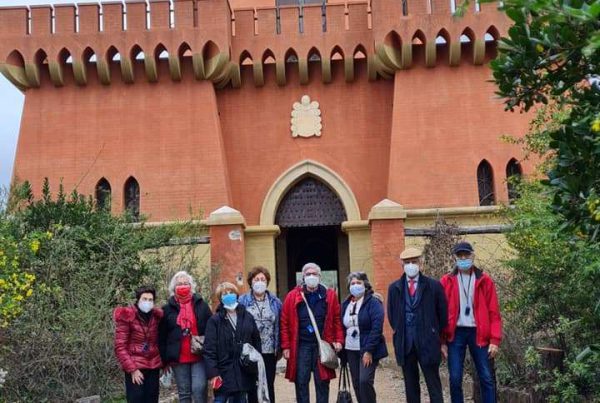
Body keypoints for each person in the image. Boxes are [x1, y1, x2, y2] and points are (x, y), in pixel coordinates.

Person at [441, 241, 502, 403]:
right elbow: (440, 313)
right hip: (455, 333)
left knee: (486, 377)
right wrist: (442, 341)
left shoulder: (485, 280)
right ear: (455, 258)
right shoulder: (446, 281)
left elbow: (494, 312)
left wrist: (495, 340)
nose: (463, 258)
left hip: (479, 333)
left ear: (472, 256)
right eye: (459, 256)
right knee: (454, 379)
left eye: (466, 255)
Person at [387, 247, 448, 403]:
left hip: (428, 341)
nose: (411, 265)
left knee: (433, 384)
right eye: (407, 262)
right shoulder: (394, 288)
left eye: (414, 261)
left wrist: (436, 334)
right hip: (406, 343)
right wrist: (401, 330)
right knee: (410, 387)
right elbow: (392, 315)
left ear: (420, 263)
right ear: (402, 265)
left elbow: (442, 314)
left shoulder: (433, 286)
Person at [280, 262, 344, 403]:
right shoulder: (292, 296)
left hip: (322, 345)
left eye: (314, 274)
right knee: (301, 380)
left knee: (322, 381)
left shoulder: (330, 295)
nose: (311, 277)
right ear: (303, 277)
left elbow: (337, 320)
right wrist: (285, 346)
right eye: (308, 274)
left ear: (320, 276)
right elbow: (284, 322)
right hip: (301, 346)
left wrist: (339, 340)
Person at [159, 271, 212, 403]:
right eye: (179, 284)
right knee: (184, 393)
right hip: (178, 358)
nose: (183, 286)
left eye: (185, 283)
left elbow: (211, 330)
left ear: (191, 286)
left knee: (199, 388)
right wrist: (164, 361)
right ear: (174, 288)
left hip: (198, 355)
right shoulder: (166, 309)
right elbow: (162, 336)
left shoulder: (201, 305)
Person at [204, 282, 262, 403]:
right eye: (225, 294)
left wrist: (256, 365)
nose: (229, 295)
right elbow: (209, 349)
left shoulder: (247, 316)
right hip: (224, 372)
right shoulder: (214, 321)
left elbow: (256, 341)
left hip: (244, 371)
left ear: (236, 295)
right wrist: (213, 373)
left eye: (231, 292)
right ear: (220, 298)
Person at [340, 272, 388, 403]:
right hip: (350, 349)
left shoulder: (373, 302)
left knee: (364, 381)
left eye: (358, 283)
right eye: (353, 283)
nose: (355, 285)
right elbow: (341, 326)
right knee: (356, 382)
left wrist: (369, 351)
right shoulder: (345, 304)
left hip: (367, 349)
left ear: (365, 285)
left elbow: (377, 327)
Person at [238, 266, 282, 403]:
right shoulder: (242, 301)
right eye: (257, 279)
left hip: (269, 350)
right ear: (251, 282)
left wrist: (280, 347)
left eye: (263, 279)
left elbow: (280, 325)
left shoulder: (275, 302)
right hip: (250, 350)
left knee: (268, 384)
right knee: (252, 384)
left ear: (267, 282)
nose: (260, 282)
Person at [114, 286, 163, 403]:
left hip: (153, 366)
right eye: (144, 299)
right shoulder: (127, 316)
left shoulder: (156, 317)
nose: (147, 302)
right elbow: (120, 346)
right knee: (136, 399)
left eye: (150, 300)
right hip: (135, 367)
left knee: (152, 399)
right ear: (138, 300)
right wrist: (132, 369)